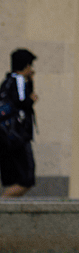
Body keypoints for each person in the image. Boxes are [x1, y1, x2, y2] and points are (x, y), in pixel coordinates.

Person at [0, 48, 37, 197]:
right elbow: (22, 102)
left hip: (5, 136)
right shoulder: (19, 80)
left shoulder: (6, 81)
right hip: (18, 137)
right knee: (26, 180)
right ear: (26, 66)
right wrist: (31, 98)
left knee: (13, 180)